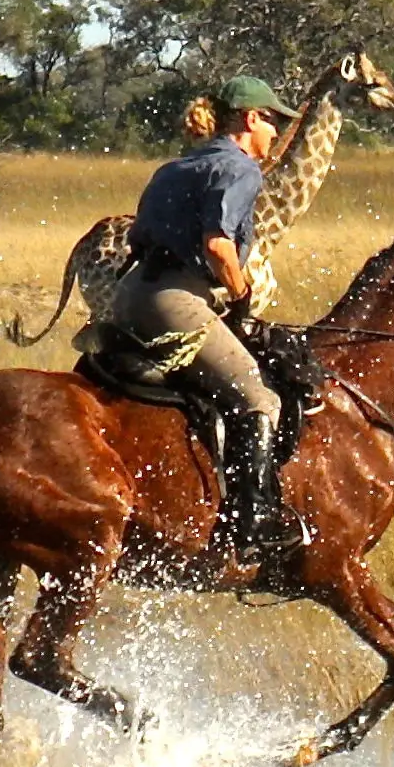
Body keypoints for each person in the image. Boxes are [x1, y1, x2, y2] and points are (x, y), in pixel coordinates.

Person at [113, 75, 301, 562]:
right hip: (175, 300)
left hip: (131, 293)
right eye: (273, 122)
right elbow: (218, 246)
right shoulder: (239, 169)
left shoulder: (175, 166)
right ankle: (252, 522)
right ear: (251, 118)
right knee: (258, 395)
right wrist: (241, 292)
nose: (276, 134)